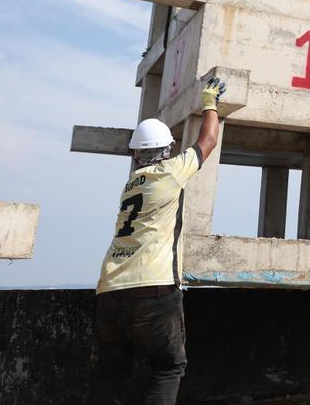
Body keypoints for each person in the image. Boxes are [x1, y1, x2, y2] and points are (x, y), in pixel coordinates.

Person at [94, 77, 226, 405]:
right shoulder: (169, 173)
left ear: (136, 155)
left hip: (109, 291)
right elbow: (208, 140)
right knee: (168, 367)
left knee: (112, 373)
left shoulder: (130, 184)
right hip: (152, 291)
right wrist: (210, 102)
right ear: (167, 150)